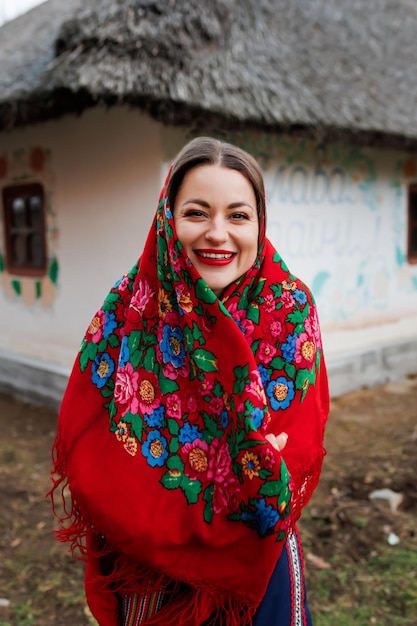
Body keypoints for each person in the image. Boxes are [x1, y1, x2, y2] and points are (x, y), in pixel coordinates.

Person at [50, 136, 329, 626]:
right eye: (197, 213)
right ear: (167, 219)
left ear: (259, 225)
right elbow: (90, 438)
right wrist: (240, 456)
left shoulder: (288, 311)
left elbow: (289, 459)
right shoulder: (130, 306)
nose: (217, 233)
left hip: (254, 563)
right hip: (145, 564)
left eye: (238, 215)